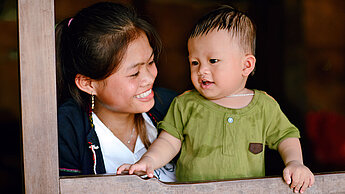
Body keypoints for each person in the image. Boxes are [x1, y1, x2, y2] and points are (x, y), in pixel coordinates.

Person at [117, 5, 314, 193]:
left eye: (213, 61)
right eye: (195, 62)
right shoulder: (186, 104)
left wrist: (295, 163)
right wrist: (149, 161)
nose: (201, 70)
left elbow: (286, 137)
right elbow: (169, 142)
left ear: (246, 65)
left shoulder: (263, 105)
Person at [56, 2, 176, 182]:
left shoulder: (171, 106)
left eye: (150, 62)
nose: (149, 78)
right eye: (134, 73)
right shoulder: (67, 129)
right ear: (88, 83)